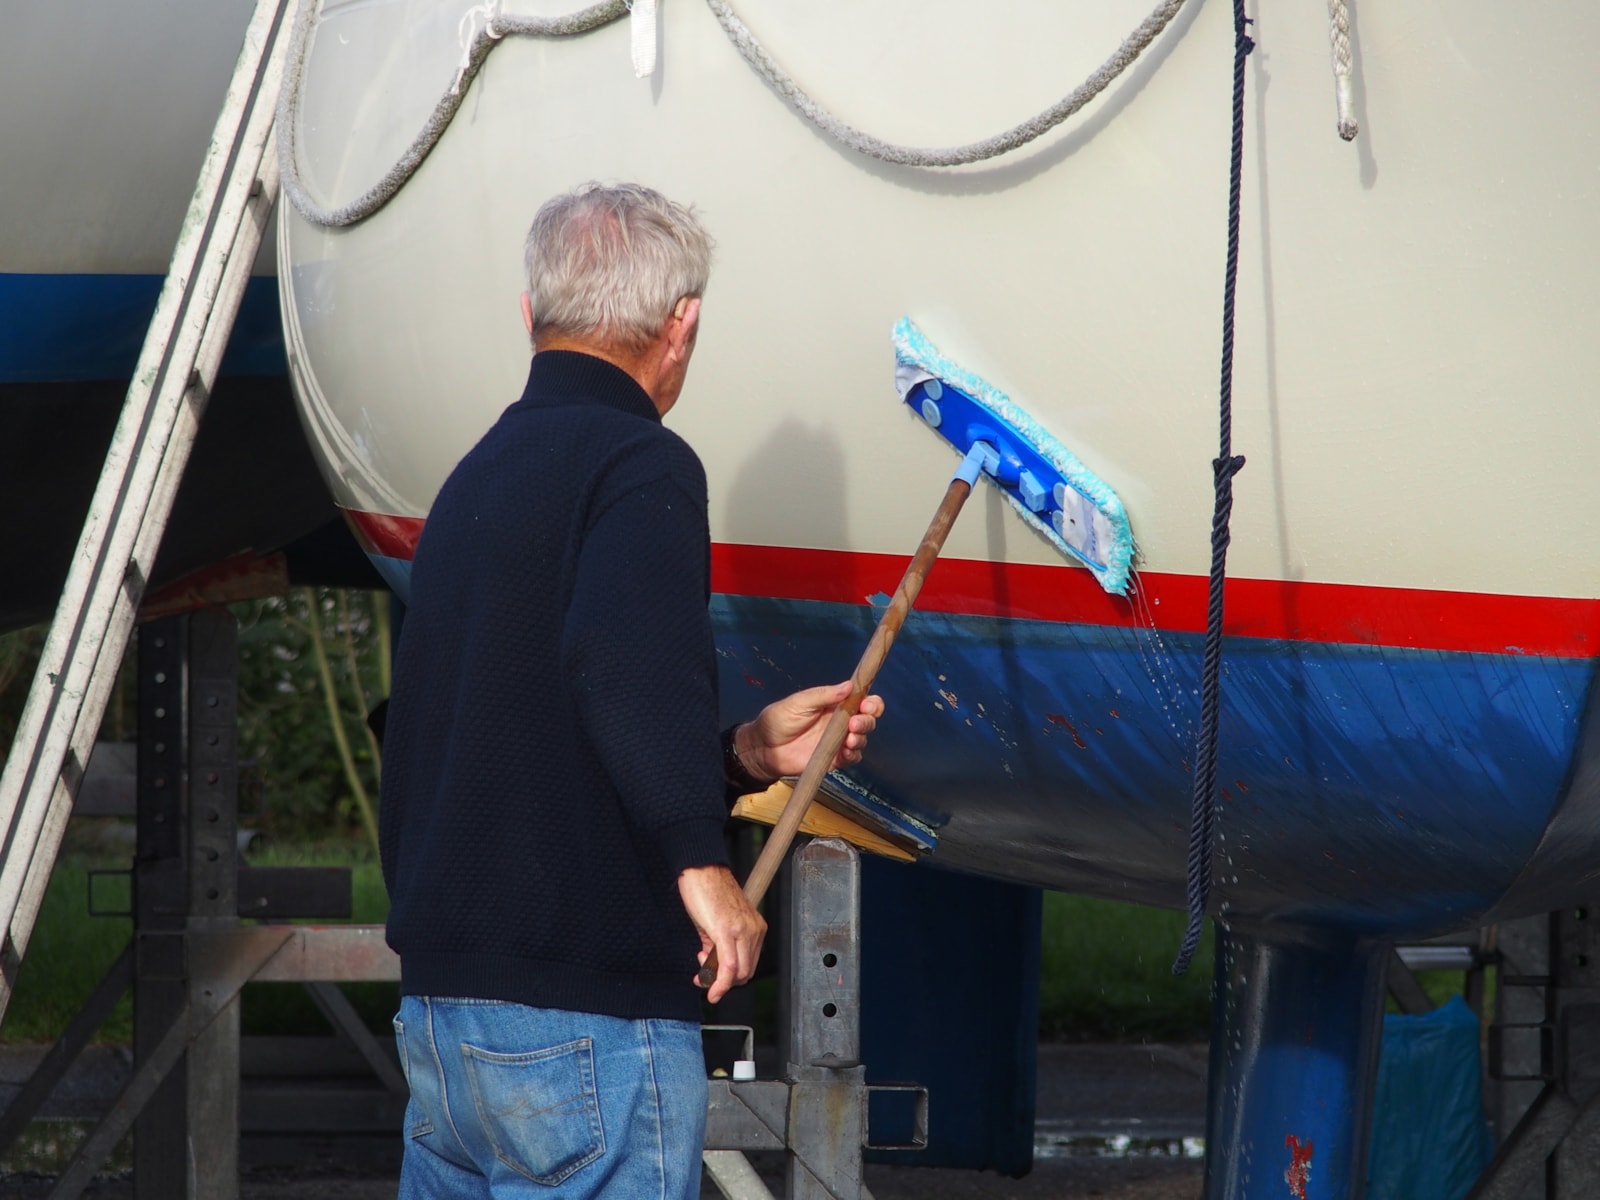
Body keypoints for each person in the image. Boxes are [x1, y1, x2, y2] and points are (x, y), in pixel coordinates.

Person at [378, 181, 884, 1200]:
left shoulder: (475, 475)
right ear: (680, 325)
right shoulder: (641, 464)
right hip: (582, 1021)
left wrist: (742, 755)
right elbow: (625, 666)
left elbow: (530, 726)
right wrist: (701, 862)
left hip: (443, 1023)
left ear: (531, 312)